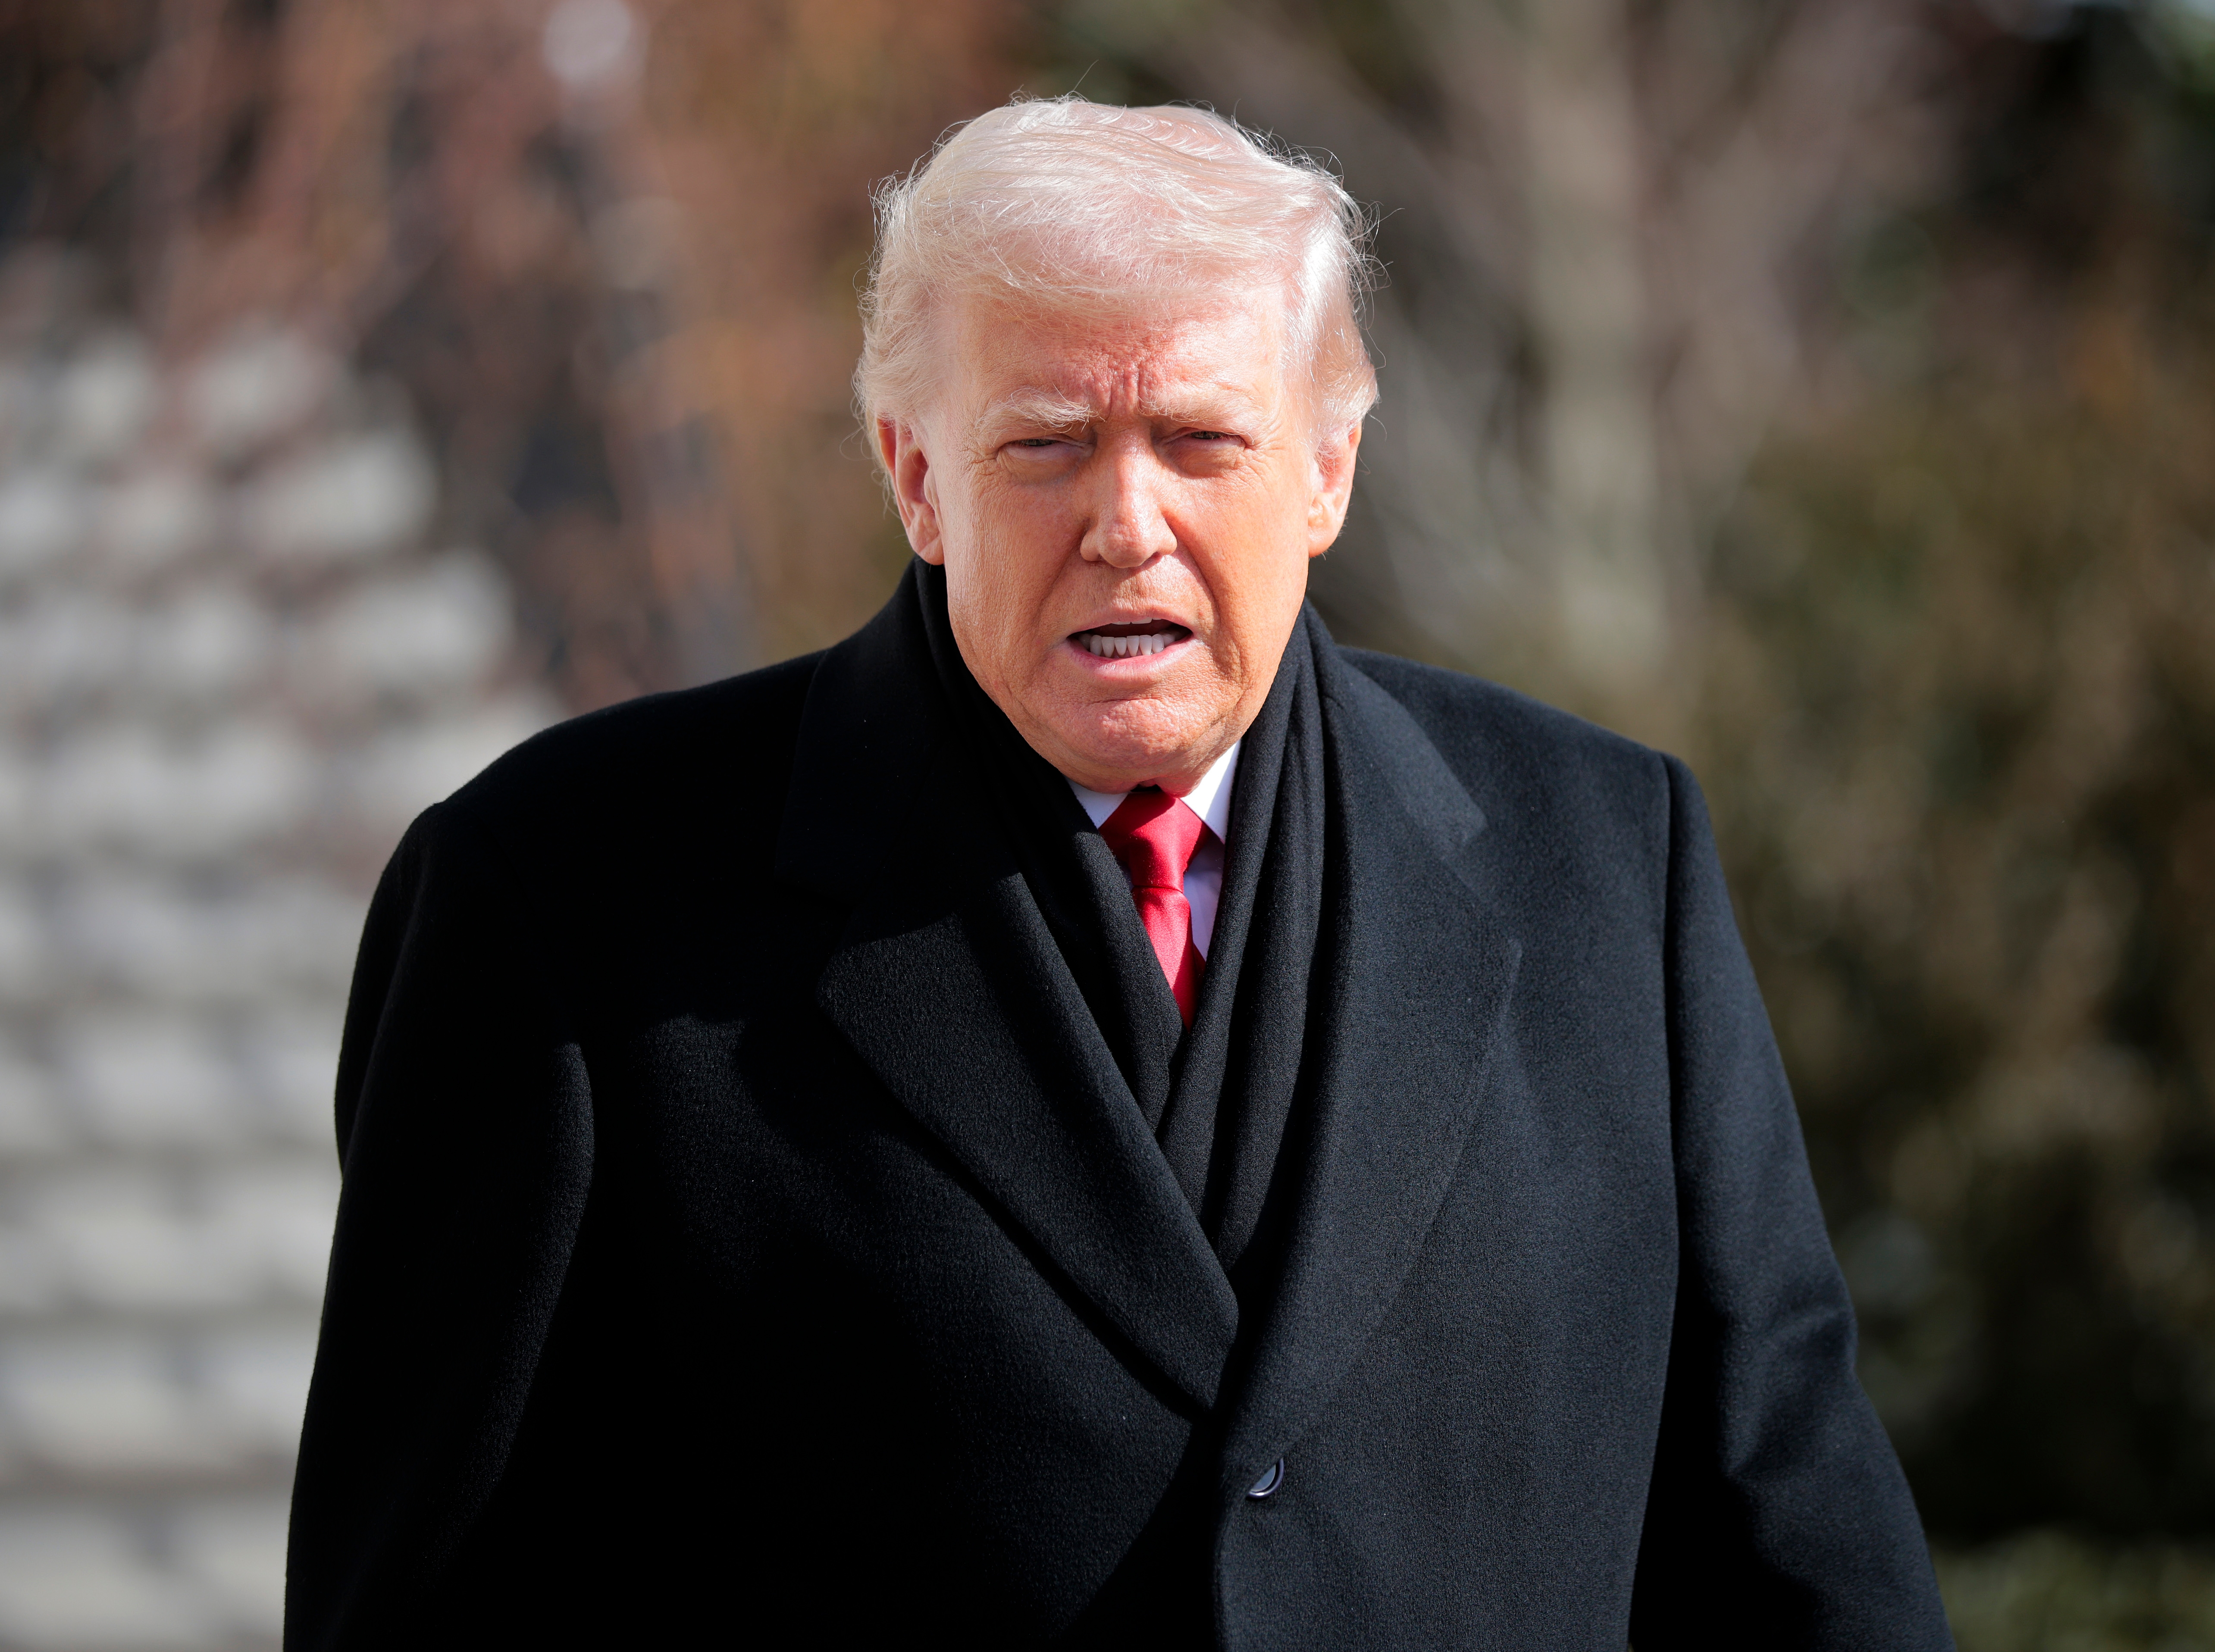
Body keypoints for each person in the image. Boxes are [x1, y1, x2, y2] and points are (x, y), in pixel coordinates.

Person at [285, 97, 1953, 1651]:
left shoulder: (1607, 858)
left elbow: (1792, 1539)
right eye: (1047, 444)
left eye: (1201, 440)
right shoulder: (560, 903)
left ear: (1327, 469)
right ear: (915, 475)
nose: (1127, 523)